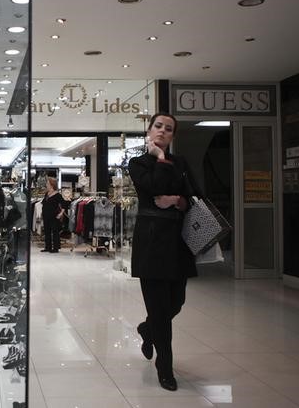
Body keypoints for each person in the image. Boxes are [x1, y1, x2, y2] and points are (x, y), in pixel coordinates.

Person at [128, 113, 197, 392]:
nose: (163, 131)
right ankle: (164, 367)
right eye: (158, 126)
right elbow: (153, 186)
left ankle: (147, 329)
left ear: (173, 135)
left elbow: (194, 195)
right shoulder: (138, 163)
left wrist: (177, 200)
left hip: (178, 242)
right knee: (158, 307)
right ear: (149, 130)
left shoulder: (181, 163)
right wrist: (158, 157)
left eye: (169, 129)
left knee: (176, 303)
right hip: (151, 241)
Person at [41, 177, 67, 253]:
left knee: (55, 231)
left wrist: (61, 213)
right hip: (46, 215)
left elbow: (64, 204)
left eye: (47, 183)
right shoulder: (47, 194)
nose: (46, 185)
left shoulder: (57, 195)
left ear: (52, 184)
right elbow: (44, 203)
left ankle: (55, 248)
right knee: (47, 231)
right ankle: (48, 247)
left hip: (54, 216)